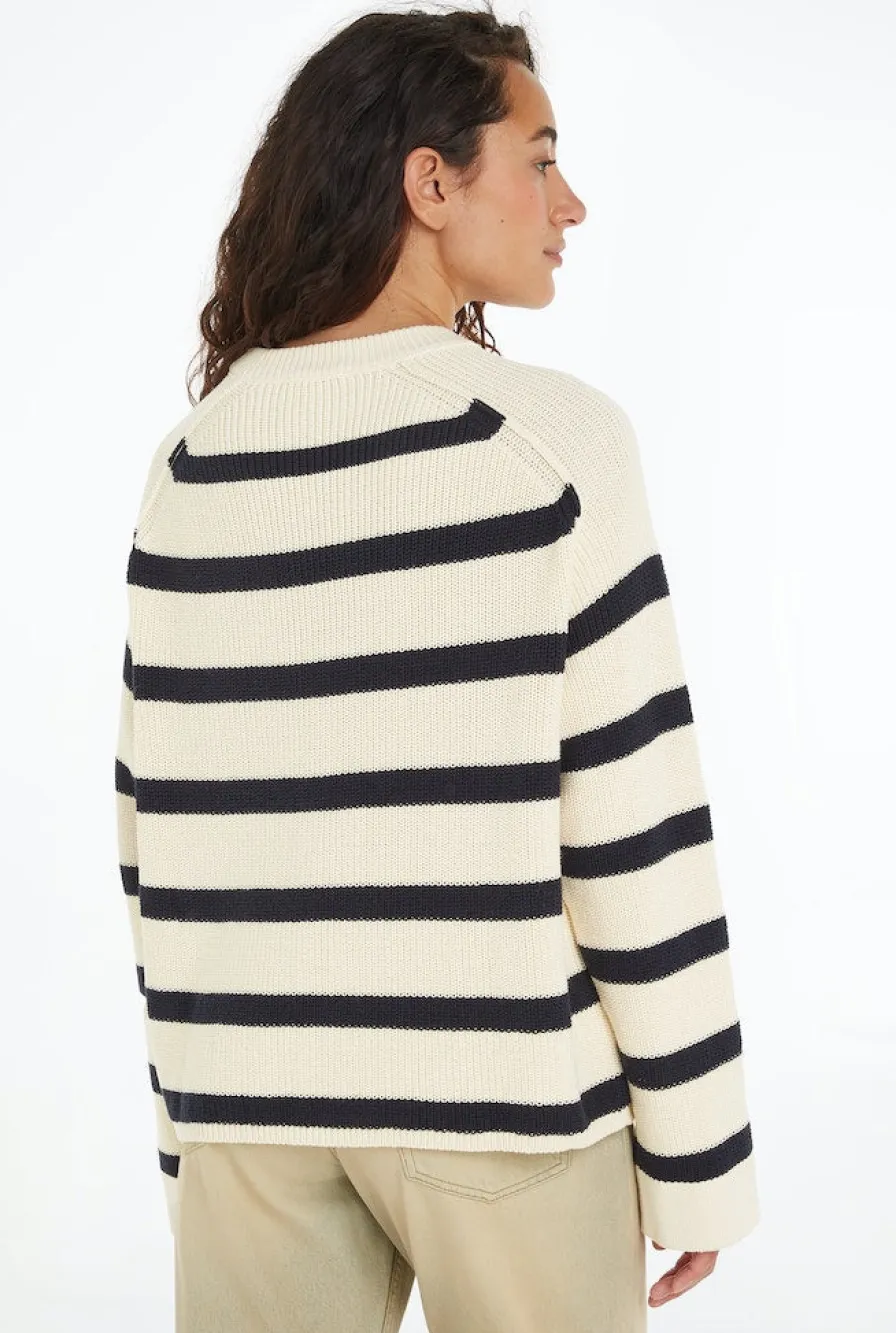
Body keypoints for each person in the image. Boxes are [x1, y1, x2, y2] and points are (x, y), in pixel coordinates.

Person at [113, 4, 760, 1329]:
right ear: (430, 182)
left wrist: (194, 1126)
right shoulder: (552, 444)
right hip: (505, 1110)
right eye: (541, 158)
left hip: (252, 1111)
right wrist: (699, 1159)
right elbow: (635, 826)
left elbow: (157, 826)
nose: (570, 204)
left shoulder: (194, 460)